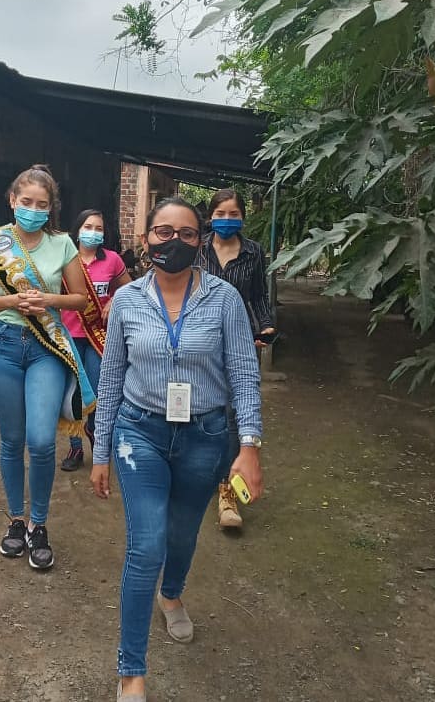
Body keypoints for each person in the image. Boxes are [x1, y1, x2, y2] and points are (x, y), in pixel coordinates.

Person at [90, 197, 263, 702]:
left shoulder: (225, 299)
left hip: (204, 436)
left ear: (200, 241)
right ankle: (132, 672)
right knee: (146, 546)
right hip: (138, 433)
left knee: (182, 536)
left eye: (187, 234)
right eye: (163, 232)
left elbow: (244, 374)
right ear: (146, 239)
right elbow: (111, 377)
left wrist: (249, 445)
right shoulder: (126, 301)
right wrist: (101, 452)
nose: (175, 241)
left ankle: (171, 596)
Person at [0, 164, 94, 571]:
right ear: (12, 201)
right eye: (26, 202)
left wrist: (48, 301)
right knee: (12, 439)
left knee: (40, 441)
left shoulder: (63, 244)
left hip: (45, 350)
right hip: (2, 347)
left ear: (51, 207)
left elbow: (80, 299)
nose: (33, 210)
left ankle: (39, 524)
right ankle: (16, 521)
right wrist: (11, 301)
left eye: (42, 204)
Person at [197, 188, 276, 530]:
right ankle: (195, 474)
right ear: (210, 217)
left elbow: (258, 296)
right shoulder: (197, 248)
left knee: (233, 416)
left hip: (239, 339)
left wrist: (267, 325)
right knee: (199, 410)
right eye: (221, 214)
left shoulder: (253, 252)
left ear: (242, 217)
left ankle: (227, 491)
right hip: (199, 341)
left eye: (234, 214)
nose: (227, 220)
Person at [60, 210, 131, 471]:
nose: (93, 232)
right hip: (69, 335)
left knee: (99, 392)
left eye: (98, 228)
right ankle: (75, 447)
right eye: (88, 226)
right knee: (71, 393)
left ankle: (95, 435)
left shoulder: (112, 260)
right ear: (78, 231)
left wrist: (113, 300)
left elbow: (129, 287)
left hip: (98, 336)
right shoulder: (65, 259)